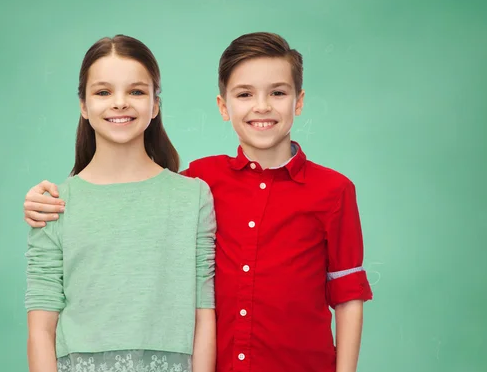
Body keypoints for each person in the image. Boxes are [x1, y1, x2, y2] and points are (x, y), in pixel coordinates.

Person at [24, 32, 373, 372]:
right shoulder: (202, 181)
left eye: (278, 93)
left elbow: (347, 296)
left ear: (298, 101)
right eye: (245, 94)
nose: (262, 106)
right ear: (223, 106)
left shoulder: (331, 190)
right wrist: (41, 199)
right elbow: (133, 194)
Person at [24, 34, 216, 372]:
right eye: (103, 92)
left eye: (136, 91)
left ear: (155, 104)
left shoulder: (193, 197)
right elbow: (41, 328)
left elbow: (203, 312)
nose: (120, 103)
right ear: (83, 105)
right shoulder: (53, 204)